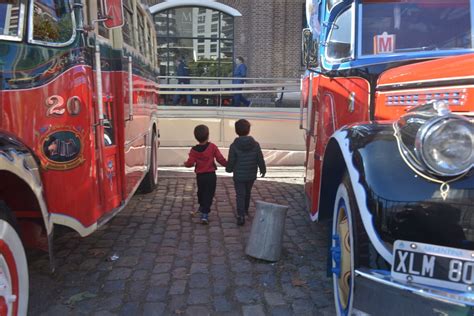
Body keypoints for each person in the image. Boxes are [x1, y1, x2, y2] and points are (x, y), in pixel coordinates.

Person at [184, 125, 227, 224]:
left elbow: (190, 163)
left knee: (201, 192)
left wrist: (185, 164)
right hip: (211, 175)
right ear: (208, 136)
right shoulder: (212, 147)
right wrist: (229, 165)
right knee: (209, 194)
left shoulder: (194, 150)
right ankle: (205, 213)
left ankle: (202, 207)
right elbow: (220, 159)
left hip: (200, 176)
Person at [226, 119, 266, 226]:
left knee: (240, 194)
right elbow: (260, 158)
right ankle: (246, 210)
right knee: (247, 192)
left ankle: (240, 215)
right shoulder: (255, 145)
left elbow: (231, 161)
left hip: (239, 176)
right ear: (249, 130)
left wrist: (228, 169)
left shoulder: (234, 146)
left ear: (236, 131)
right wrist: (263, 169)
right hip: (251, 174)